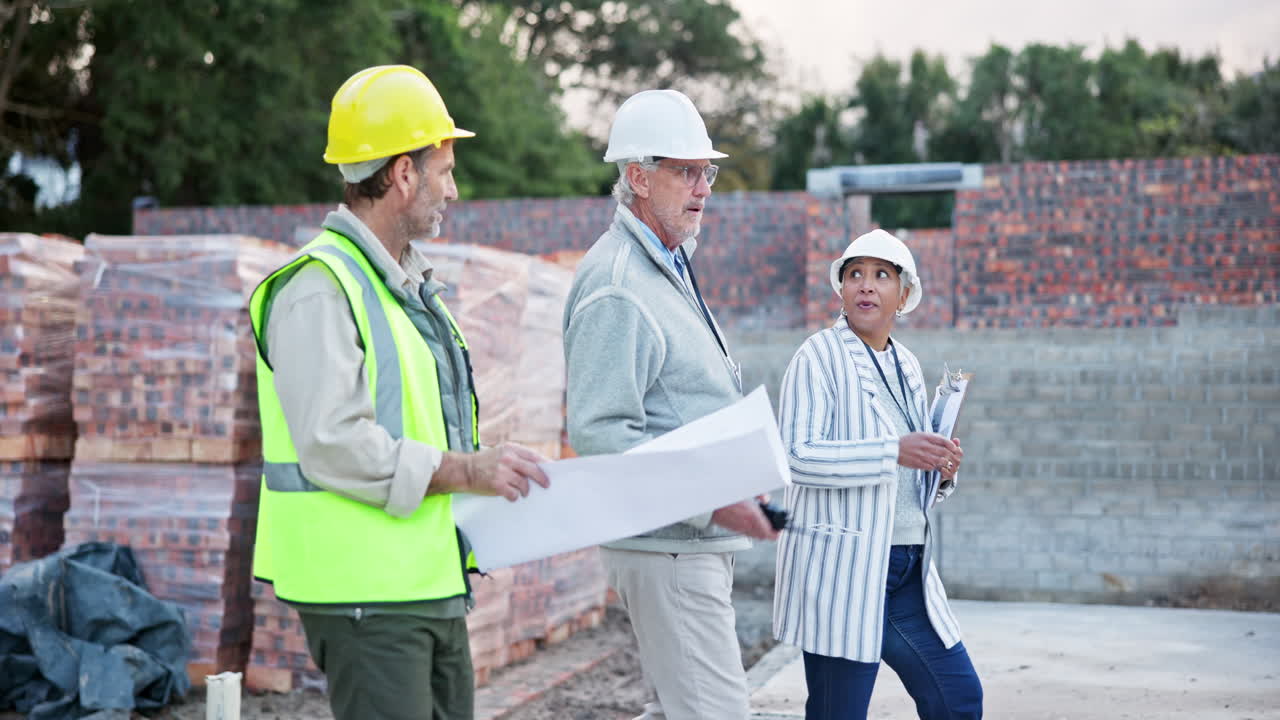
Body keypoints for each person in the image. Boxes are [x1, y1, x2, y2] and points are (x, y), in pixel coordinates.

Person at [248, 65, 550, 720]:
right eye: (444, 171)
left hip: (426, 585)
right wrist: (470, 469)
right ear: (404, 174)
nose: (455, 189)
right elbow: (334, 444)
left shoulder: (402, 287)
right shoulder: (318, 289)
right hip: (367, 597)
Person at [562, 89, 780, 720]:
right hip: (668, 549)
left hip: (682, 543)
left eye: (705, 171)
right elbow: (603, 436)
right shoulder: (618, 287)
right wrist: (715, 499)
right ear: (637, 176)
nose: (703, 187)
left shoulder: (664, 265)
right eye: (685, 171)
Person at [773, 229, 983, 720]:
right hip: (844, 568)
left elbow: (908, 467)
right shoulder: (816, 357)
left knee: (958, 697)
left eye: (881, 275)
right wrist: (893, 451)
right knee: (838, 712)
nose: (866, 285)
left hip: (907, 567)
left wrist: (941, 467)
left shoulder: (906, 364)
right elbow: (797, 457)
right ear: (841, 290)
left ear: (904, 295)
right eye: (855, 275)